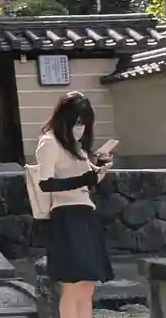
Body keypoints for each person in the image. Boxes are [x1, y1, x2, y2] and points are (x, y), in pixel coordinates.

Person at [36, 92, 114, 318]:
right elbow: (45, 183)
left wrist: (99, 169)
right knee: (72, 285)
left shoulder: (77, 147)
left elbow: (90, 180)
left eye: (84, 123)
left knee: (87, 286)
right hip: (66, 216)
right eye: (77, 122)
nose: (80, 128)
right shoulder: (49, 142)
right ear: (64, 119)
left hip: (86, 214)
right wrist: (83, 179)